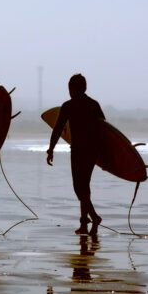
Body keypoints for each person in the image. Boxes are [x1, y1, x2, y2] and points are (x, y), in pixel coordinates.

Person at [47, 73, 105, 236]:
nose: (70, 91)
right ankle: (86, 219)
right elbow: (104, 131)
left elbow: (58, 129)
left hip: (82, 151)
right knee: (82, 185)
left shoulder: (70, 106)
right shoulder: (93, 104)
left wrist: (51, 149)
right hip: (88, 150)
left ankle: (90, 219)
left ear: (75, 89)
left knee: (80, 186)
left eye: (71, 88)